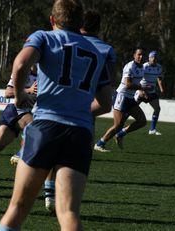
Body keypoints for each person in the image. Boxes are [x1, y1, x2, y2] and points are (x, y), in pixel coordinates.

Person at [0, 0, 112, 230]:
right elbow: (106, 104)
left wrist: (20, 96)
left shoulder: (44, 37)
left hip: (46, 127)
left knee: (17, 209)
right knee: (68, 212)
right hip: (79, 134)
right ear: (80, 24)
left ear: (52, 20)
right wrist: (77, 110)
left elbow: (20, 64)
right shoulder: (97, 53)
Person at [41, 9, 117, 213]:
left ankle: (49, 193)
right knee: (77, 154)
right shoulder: (106, 49)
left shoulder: (65, 40)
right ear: (99, 27)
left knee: (48, 150)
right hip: (85, 109)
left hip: (57, 105)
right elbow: (110, 81)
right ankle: (68, 197)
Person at [94, 48, 148, 152]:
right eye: (139, 55)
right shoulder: (130, 66)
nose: (141, 57)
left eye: (142, 55)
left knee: (142, 121)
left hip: (130, 98)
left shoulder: (142, 67)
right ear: (134, 55)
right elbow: (128, 85)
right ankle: (99, 144)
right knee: (118, 125)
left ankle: (120, 134)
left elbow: (137, 82)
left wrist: (143, 91)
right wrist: (142, 88)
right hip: (121, 97)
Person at [141, 51, 164, 135]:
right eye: (152, 57)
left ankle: (152, 129)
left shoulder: (159, 67)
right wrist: (142, 90)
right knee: (131, 109)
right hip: (141, 91)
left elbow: (159, 78)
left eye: (155, 57)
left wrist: (161, 88)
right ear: (149, 58)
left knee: (157, 109)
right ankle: (119, 127)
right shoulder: (144, 66)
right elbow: (137, 78)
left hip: (152, 92)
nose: (154, 59)